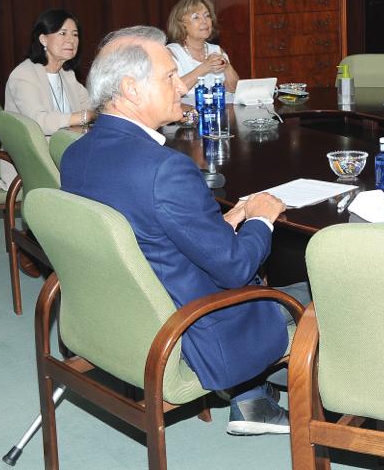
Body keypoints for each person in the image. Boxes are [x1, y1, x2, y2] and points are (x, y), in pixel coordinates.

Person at [61, 25, 298, 435]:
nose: (182, 84)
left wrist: (220, 222)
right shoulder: (165, 170)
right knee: (318, 295)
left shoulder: (76, 153)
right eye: (169, 76)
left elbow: (143, 231)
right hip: (191, 329)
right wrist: (260, 216)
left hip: (122, 314)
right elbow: (235, 269)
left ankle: (253, 398)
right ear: (132, 89)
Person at [0, 8, 97, 191]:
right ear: (43, 39)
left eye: (75, 34)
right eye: (62, 33)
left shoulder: (67, 75)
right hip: (36, 162)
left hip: (68, 153)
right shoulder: (23, 75)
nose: (71, 40)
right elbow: (39, 121)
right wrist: (83, 117)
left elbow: (92, 106)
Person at [166, 0, 240, 103]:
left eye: (207, 16)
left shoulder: (217, 50)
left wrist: (227, 67)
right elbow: (172, 91)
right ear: (181, 24)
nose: (204, 21)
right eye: (196, 17)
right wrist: (204, 68)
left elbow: (234, 89)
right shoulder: (171, 53)